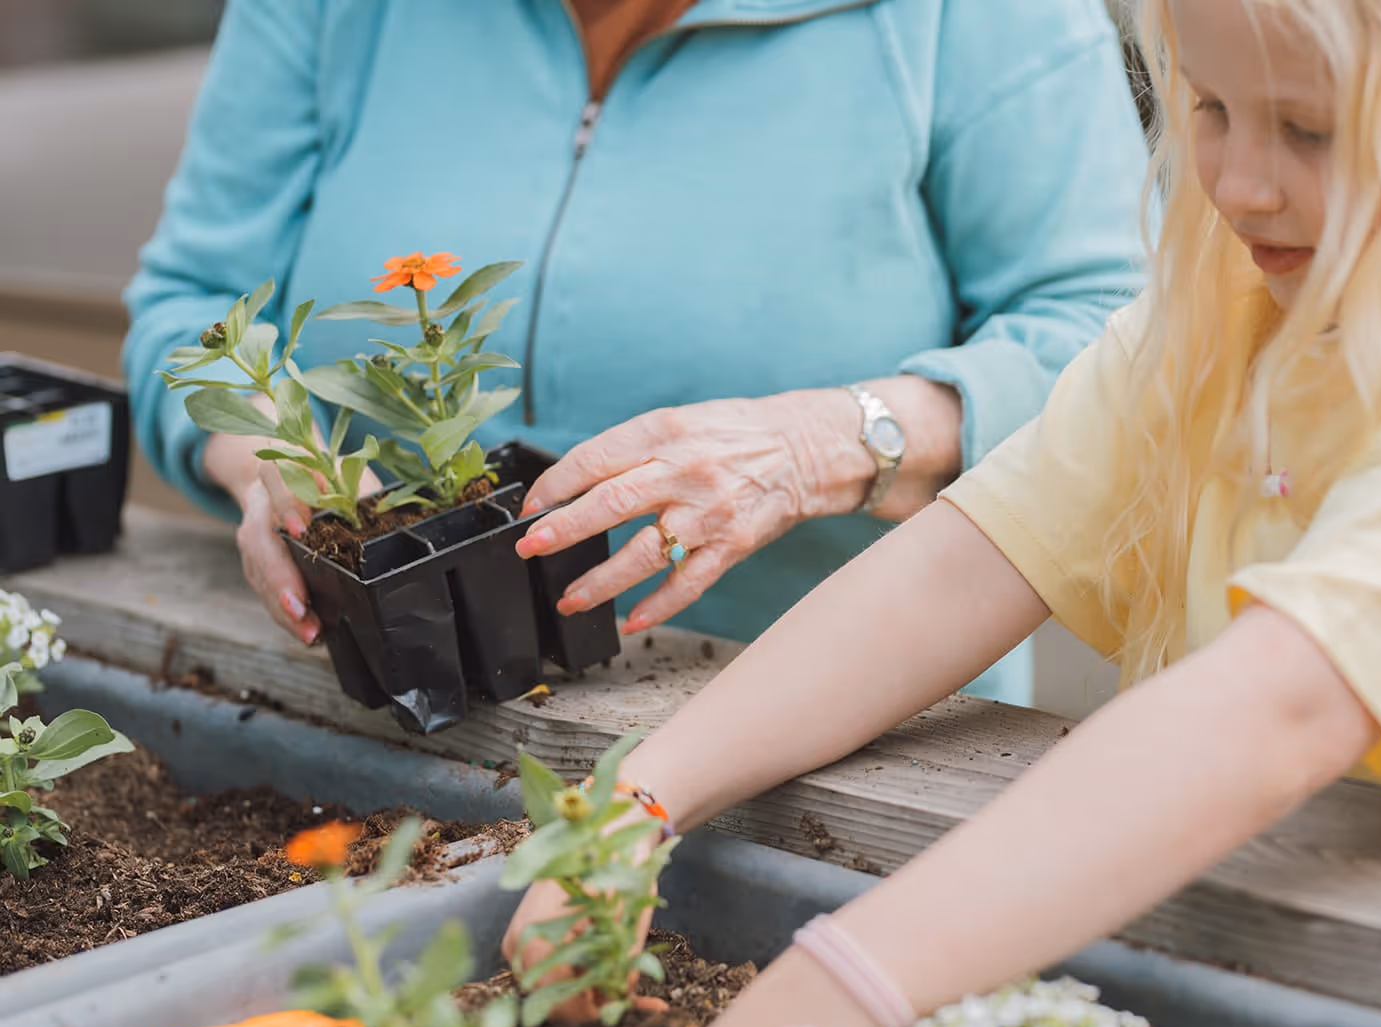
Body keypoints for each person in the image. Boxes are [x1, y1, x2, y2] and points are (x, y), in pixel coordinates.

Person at [502, 0, 1381, 1027]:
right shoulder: (1234, 295)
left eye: (1311, 129)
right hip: (1228, 946)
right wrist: (636, 801)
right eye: (1209, 105)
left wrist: (827, 996)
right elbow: (969, 559)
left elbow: (1280, 702)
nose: (1239, 184)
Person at [120, 0, 1149, 705]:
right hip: (372, 696)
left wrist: (830, 441)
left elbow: (1115, 336)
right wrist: (270, 456)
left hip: (833, 730)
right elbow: (192, 303)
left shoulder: (973, 20)